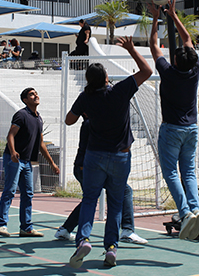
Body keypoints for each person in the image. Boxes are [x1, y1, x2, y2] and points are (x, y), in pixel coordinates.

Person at [66, 35, 152, 268]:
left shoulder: (86, 97)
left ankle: (83, 239)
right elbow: (147, 71)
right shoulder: (119, 91)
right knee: (115, 203)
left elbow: (68, 121)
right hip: (121, 156)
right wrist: (132, 50)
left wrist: (87, 112)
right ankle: (111, 248)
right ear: (106, 78)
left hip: (94, 155)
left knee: (89, 200)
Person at [148, 0, 199, 242]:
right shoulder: (194, 69)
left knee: (171, 173)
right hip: (192, 129)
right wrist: (173, 15)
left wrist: (155, 19)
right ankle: (196, 208)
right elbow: (188, 39)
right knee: (188, 172)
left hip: (172, 129)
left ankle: (185, 213)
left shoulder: (168, 72)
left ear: (177, 60)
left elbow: (154, 46)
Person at [55, 115, 148, 245]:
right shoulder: (91, 123)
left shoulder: (93, 122)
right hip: (85, 167)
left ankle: (65, 229)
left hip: (86, 166)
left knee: (89, 200)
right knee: (122, 192)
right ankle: (126, 230)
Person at [0, 88, 60, 238]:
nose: (36, 95)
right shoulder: (21, 115)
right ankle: (1, 225)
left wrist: (52, 163)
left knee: (28, 194)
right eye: (32, 94)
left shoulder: (38, 118)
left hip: (27, 162)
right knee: (10, 191)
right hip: (15, 160)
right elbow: (10, 135)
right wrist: (12, 152)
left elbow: (41, 144)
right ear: (25, 100)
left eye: (36, 93)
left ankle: (26, 227)